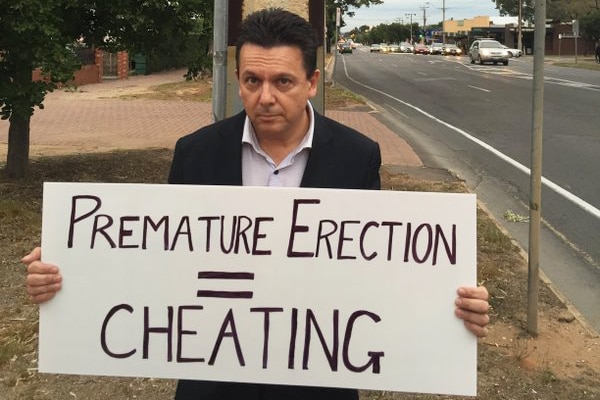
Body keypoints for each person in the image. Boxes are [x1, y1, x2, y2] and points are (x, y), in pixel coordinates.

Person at [23, 8, 490, 400]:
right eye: (252, 80)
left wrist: (448, 306)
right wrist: (75, 267)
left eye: (283, 81)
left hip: (318, 379)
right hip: (213, 379)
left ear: (311, 82)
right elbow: (156, 262)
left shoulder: (357, 156)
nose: (265, 97)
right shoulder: (195, 153)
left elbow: (375, 269)